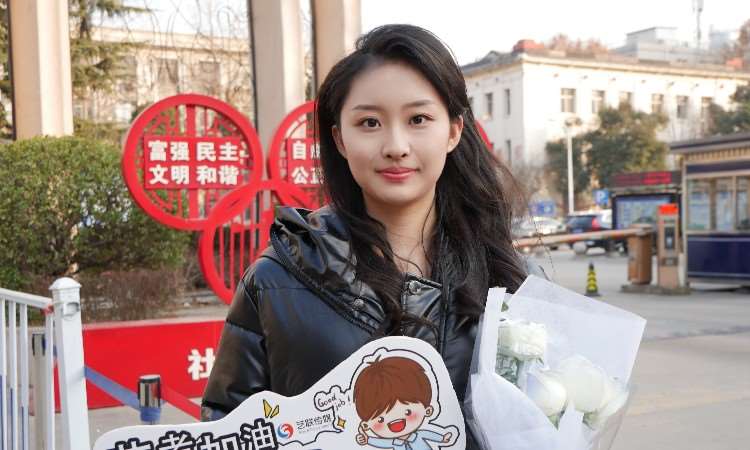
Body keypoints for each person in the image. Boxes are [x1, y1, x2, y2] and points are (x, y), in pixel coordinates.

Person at [201, 24, 542, 449]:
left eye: (418, 119)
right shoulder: (276, 282)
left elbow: (550, 413)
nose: (395, 145)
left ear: (454, 130)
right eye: (369, 122)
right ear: (340, 139)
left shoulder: (510, 279)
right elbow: (227, 428)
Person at [353, 356, 453, 449]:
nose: (395, 421)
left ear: (428, 410)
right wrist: (367, 440)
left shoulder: (419, 435)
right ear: (366, 425)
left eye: (408, 412)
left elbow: (429, 434)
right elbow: (381, 443)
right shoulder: (392, 442)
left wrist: (442, 438)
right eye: (381, 419)